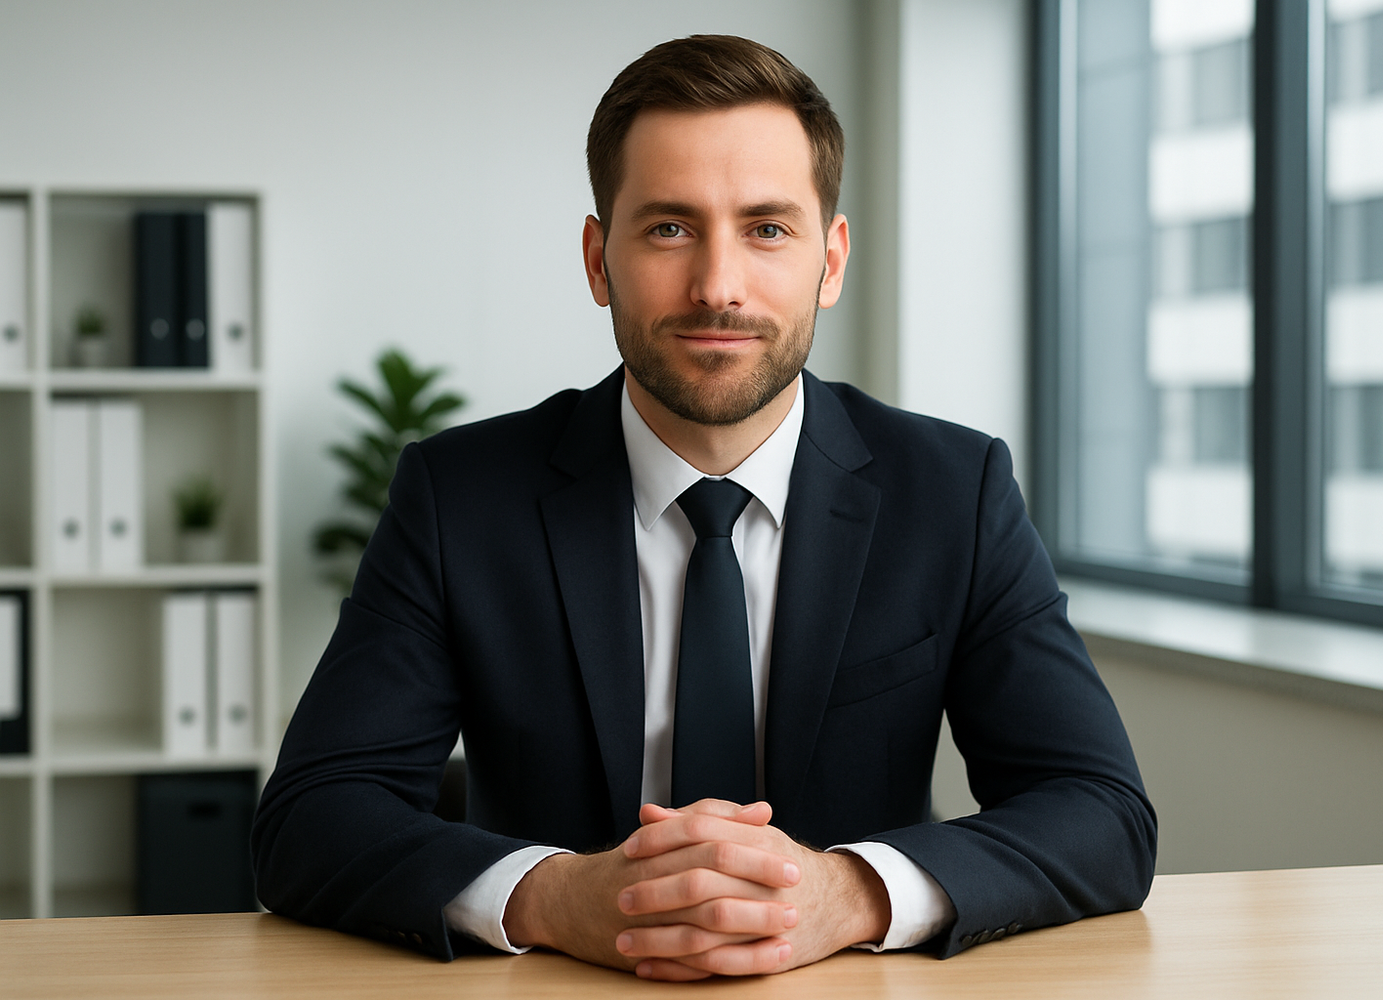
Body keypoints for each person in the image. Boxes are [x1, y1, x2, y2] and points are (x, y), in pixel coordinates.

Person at [251, 34, 1156, 981]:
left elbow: (1099, 808)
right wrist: (560, 896)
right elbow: (313, 814)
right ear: (600, 260)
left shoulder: (952, 489)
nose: (718, 285)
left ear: (830, 261)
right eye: (670, 228)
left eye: (767, 228)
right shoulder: (460, 496)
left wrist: (846, 894)